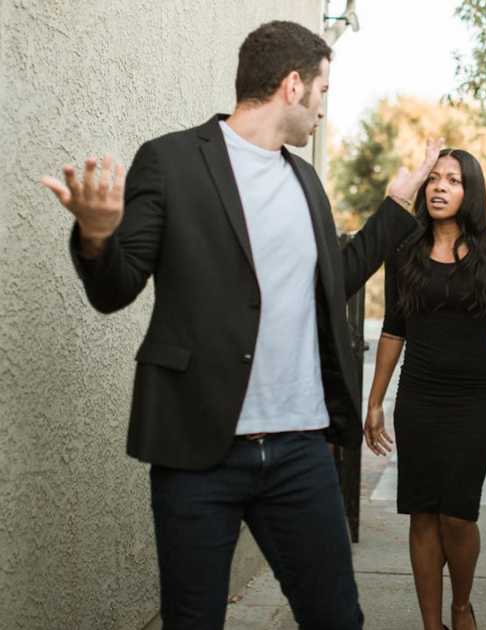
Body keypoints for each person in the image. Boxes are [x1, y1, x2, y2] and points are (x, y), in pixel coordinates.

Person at [39, 20, 438, 629]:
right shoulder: (171, 161)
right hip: (199, 449)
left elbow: (332, 281)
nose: (323, 111)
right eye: (323, 93)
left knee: (337, 619)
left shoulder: (305, 180)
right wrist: (96, 235)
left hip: (300, 449)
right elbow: (116, 289)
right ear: (292, 85)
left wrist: (396, 207)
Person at [363, 148, 486, 630]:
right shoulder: (403, 247)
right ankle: (431, 624)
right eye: (433, 178)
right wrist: (374, 401)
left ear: (470, 190)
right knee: (422, 514)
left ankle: (461, 606)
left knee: (457, 514)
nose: (439, 187)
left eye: (453, 180)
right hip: (418, 399)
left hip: (472, 400)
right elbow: (393, 328)